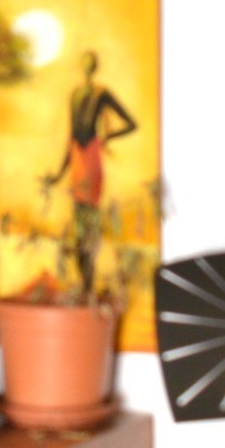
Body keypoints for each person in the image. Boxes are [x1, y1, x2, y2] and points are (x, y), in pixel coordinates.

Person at [40, 50, 139, 297]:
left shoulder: (102, 93)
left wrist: (107, 136)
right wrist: (58, 174)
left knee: (90, 226)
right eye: (84, 62)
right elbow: (71, 136)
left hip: (92, 156)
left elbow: (131, 123)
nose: (86, 66)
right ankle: (84, 288)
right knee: (78, 226)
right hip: (77, 157)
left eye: (90, 63)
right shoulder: (74, 94)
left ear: (93, 67)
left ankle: (88, 287)